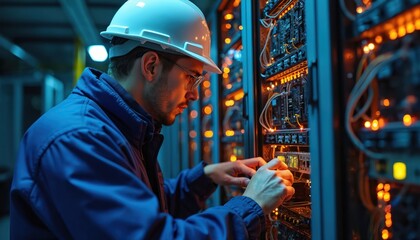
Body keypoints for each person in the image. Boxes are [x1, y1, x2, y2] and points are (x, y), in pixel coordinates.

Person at [10, 0, 295, 239]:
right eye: (191, 78)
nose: (194, 95)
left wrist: (201, 179)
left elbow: (133, 207)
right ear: (151, 66)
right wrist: (251, 205)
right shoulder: (78, 139)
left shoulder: (111, 127)